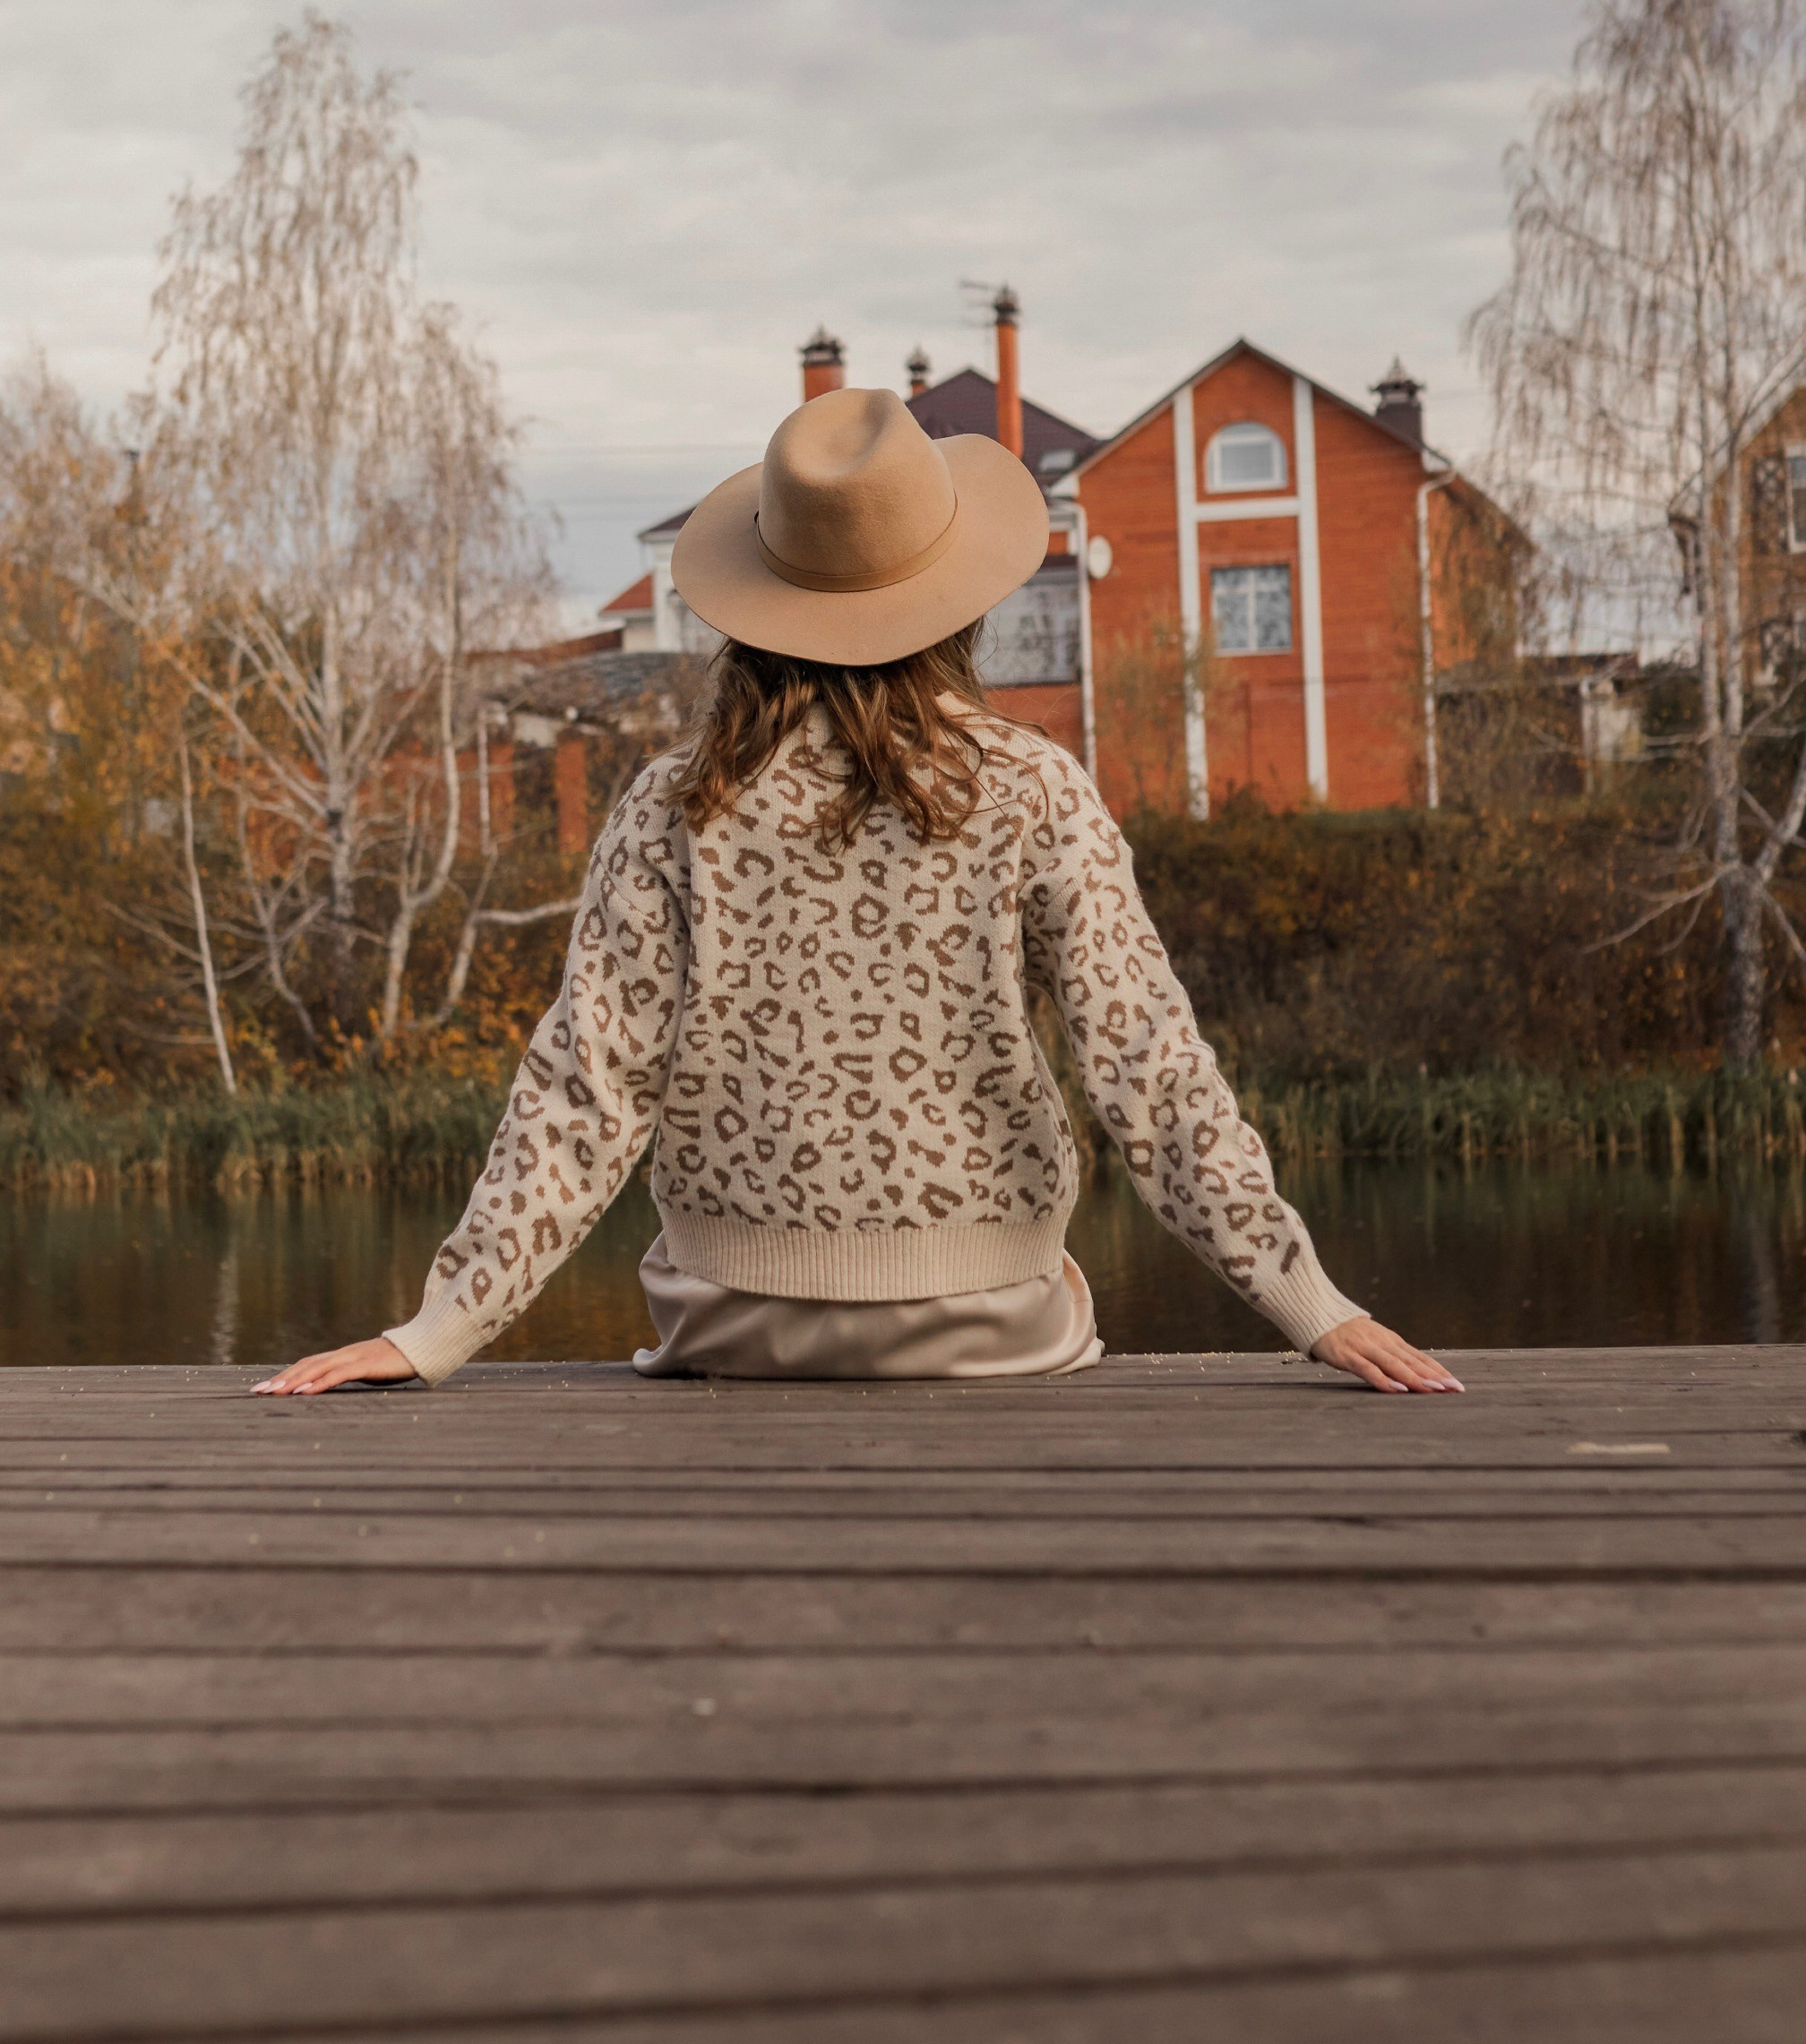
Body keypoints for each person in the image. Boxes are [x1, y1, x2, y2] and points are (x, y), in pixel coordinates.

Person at [257, 388, 1460, 1402]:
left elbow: (586, 1084)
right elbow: (1142, 1063)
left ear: (756, 607)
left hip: (728, 1324)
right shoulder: (1034, 790)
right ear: (955, 601)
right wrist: (1312, 1304)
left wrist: (435, 1334)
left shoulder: (673, 806)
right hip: (996, 1326)